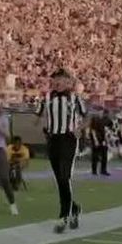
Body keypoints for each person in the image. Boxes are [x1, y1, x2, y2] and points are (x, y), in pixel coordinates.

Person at [37, 69, 86, 233]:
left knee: (65, 176)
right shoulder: (47, 97)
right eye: (55, 79)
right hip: (53, 140)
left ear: (68, 82)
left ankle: (63, 215)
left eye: (60, 79)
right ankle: (74, 208)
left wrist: (79, 128)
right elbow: (38, 116)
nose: (57, 82)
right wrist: (43, 126)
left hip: (68, 139)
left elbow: (86, 116)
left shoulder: (75, 98)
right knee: (59, 180)